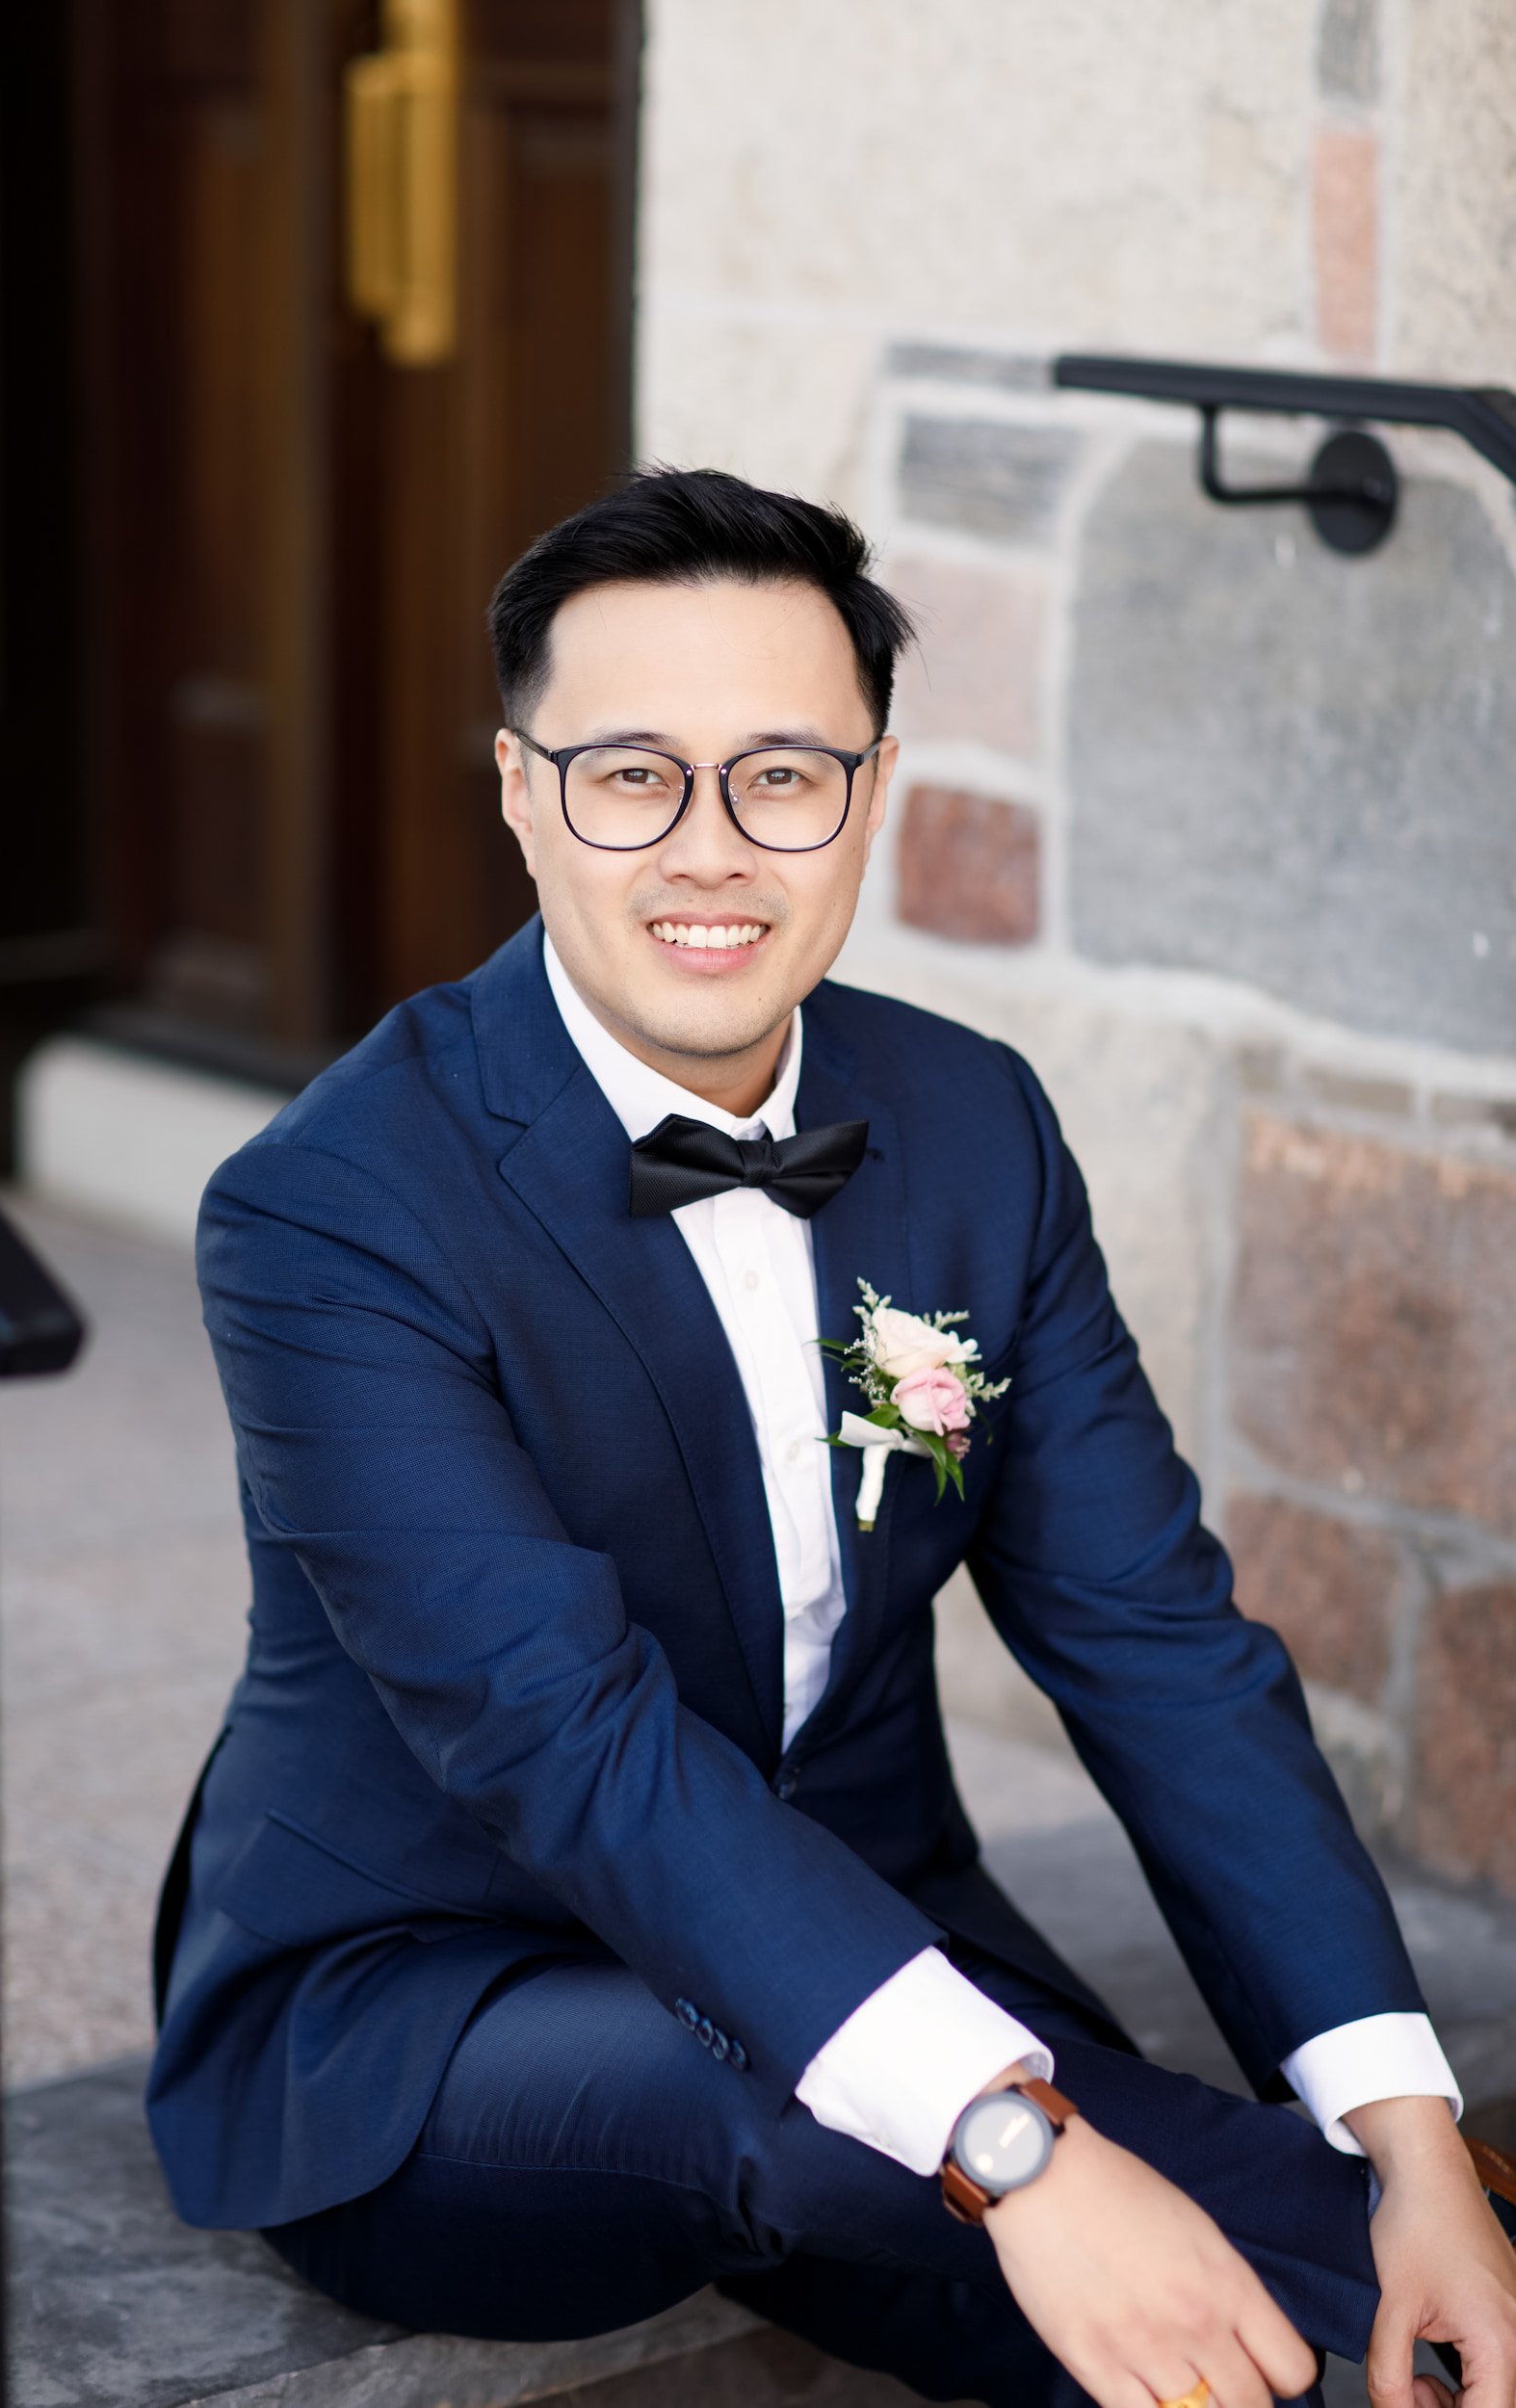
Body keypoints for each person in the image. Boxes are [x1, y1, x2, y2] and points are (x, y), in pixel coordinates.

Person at [146, 468, 1516, 2408]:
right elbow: (564, 1735)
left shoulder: (971, 1124)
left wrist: (1408, 2133)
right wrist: (1019, 2139)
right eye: (632, 774)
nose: (712, 848)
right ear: (525, 792)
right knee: (923, 2146)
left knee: (1329, 2269)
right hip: (431, 2003)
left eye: (784, 774)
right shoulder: (329, 1206)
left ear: (866, 795)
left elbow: (1155, 1642)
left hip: (863, 1932)